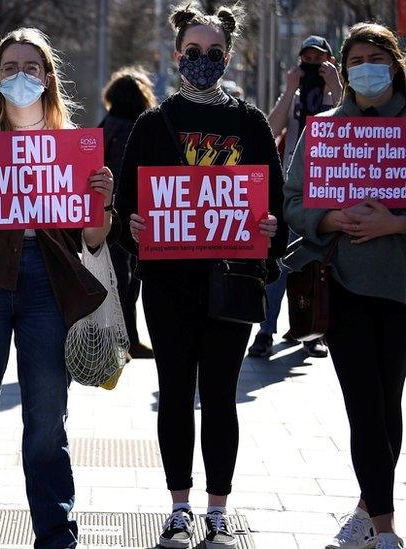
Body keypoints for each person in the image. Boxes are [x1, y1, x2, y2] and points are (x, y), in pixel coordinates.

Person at [115, 5, 286, 548]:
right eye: (194, 53)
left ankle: (217, 509)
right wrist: (134, 224)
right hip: (168, 287)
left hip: (231, 283)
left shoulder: (250, 123)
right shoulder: (150, 124)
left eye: (214, 54)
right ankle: (179, 507)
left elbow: (275, 208)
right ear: (176, 56)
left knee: (219, 394)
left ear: (228, 57)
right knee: (174, 393)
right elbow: (124, 207)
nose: (203, 62)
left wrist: (269, 226)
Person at [0, 28, 116, 549]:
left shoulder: (75, 147)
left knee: (46, 416)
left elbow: (93, 238)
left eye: (31, 68)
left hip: (48, 286)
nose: (21, 77)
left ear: (48, 79)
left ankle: (56, 530)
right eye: (11, 68)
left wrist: (101, 204)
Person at [284, 22, 406, 549]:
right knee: (363, 404)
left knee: (388, 406)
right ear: (345, 69)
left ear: (394, 63)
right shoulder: (325, 127)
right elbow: (291, 201)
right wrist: (329, 219)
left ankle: (365, 508)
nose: (366, 68)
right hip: (344, 285)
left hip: (400, 287)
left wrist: (394, 223)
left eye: (376, 57)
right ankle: (385, 528)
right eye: (356, 59)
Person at [248, 34, 341, 360]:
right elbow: (270, 131)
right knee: (278, 266)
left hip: (328, 192)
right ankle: (265, 331)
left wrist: (337, 89)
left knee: (313, 268)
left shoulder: (339, 100)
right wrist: (289, 90)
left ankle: (310, 331)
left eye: (320, 59)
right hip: (292, 192)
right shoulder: (295, 97)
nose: (314, 65)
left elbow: (351, 128)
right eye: (308, 59)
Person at [99, 66, 157, 359]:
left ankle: (124, 339)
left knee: (118, 279)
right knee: (127, 280)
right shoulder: (136, 128)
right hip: (128, 214)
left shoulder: (106, 124)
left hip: (106, 215)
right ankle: (125, 341)